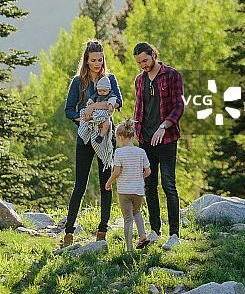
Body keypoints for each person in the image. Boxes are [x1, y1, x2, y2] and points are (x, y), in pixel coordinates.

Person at [63, 39, 123, 247]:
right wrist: (85, 117)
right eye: (93, 60)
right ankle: (69, 230)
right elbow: (69, 110)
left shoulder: (110, 79)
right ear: (86, 61)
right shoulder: (78, 82)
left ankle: (102, 230)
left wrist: (95, 107)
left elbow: (119, 102)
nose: (97, 64)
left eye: (100, 59)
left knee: (106, 183)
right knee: (80, 184)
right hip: (85, 137)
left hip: (106, 138)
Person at [133, 41, 184, 250]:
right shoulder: (139, 80)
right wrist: (135, 133)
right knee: (150, 186)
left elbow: (179, 105)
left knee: (168, 185)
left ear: (154, 55)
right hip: (145, 141)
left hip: (167, 139)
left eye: (145, 60)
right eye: (139, 62)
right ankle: (155, 231)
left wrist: (164, 125)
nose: (143, 65)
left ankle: (174, 234)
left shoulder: (172, 75)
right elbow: (139, 108)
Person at [105, 117, 151, 253]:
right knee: (137, 212)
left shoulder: (119, 152)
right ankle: (143, 236)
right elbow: (148, 171)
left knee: (127, 220)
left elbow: (117, 172)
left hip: (125, 191)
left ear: (120, 137)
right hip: (138, 190)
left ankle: (129, 249)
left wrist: (108, 182)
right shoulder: (141, 152)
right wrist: (139, 177)